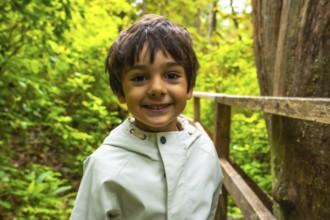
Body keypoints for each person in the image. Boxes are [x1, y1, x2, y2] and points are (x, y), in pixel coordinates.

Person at [70, 14, 223, 220]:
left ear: (189, 87)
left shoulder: (204, 151)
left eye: (171, 75)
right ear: (121, 93)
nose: (157, 89)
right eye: (139, 78)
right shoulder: (104, 166)